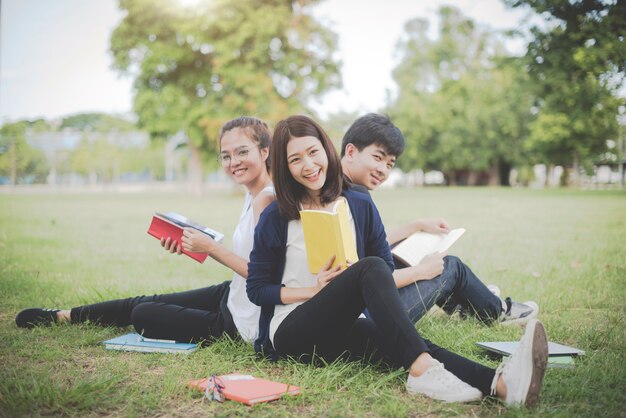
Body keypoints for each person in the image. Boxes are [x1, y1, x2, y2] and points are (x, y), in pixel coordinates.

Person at [246, 114, 548, 406]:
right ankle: (422, 374)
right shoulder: (277, 215)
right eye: (295, 159)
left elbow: (385, 270)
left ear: (326, 149)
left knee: (407, 342)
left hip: (343, 323)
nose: (308, 165)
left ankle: (502, 385)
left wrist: (349, 280)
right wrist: (314, 291)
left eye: (313, 152)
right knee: (372, 270)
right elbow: (257, 290)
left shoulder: (359, 202)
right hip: (291, 333)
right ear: (285, 167)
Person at [15, 116, 275, 345]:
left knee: (144, 313)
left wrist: (211, 248)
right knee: (143, 301)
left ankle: (66, 316)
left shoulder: (267, 200)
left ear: (264, 152)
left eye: (242, 152)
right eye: (226, 156)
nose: (233, 162)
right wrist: (197, 240)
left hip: (242, 324)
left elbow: (266, 278)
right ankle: (63, 316)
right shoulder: (252, 192)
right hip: (233, 294)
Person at [340, 113, 539, 326]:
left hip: (362, 304)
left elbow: (364, 250)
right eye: (378, 158)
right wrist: (421, 271)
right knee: (449, 266)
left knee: (404, 249)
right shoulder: (352, 198)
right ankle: (496, 311)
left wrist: (416, 226)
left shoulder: (342, 188)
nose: (383, 170)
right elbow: (356, 278)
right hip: (369, 317)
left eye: (389, 164)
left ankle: (463, 304)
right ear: (351, 151)